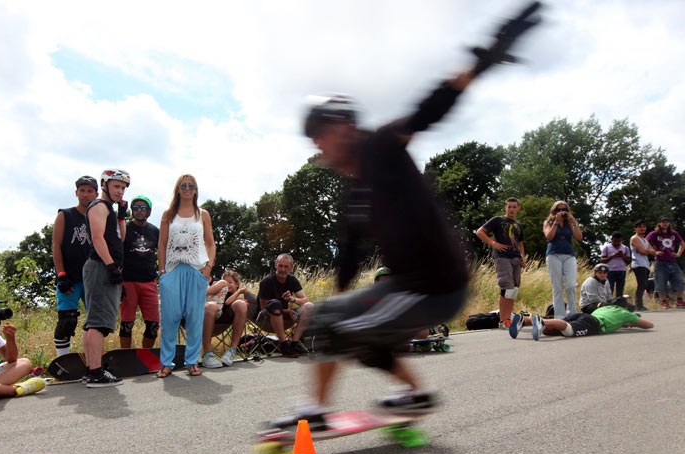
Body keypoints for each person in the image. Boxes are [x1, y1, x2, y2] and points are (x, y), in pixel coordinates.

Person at [269, 0, 545, 429]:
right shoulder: (354, 194)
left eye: (319, 136)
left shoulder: (380, 146)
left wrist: (485, 59)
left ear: (343, 127)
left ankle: (315, 414)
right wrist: (343, 300)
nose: (316, 147)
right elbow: (348, 255)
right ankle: (415, 395)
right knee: (350, 330)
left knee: (333, 323)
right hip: (409, 287)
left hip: (436, 286)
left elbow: (428, 110)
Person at [156, 174, 216, 378]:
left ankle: (192, 362)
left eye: (191, 186)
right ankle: (166, 363)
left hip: (196, 270)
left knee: (194, 318)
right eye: (184, 185)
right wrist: (163, 272)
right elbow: (162, 244)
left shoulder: (203, 214)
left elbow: (210, 243)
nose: (188, 189)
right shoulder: (168, 214)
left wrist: (208, 267)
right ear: (178, 189)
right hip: (172, 271)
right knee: (170, 318)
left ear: (196, 190)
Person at [81, 169, 130, 387]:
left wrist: (121, 215)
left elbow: (121, 238)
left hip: (106, 266)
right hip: (101, 266)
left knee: (94, 321)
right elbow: (97, 238)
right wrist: (111, 267)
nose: (120, 191)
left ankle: (91, 368)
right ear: (105, 185)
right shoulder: (99, 206)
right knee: (98, 322)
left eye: (123, 187)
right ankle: (95, 372)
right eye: (116, 186)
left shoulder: (110, 209)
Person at [51, 175, 98, 357]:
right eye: (82, 191)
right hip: (70, 277)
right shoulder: (65, 214)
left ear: (96, 194)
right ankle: (63, 360)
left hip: (92, 278)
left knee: (95, 322)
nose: (85, 195)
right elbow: (56, 244)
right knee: (67, 321)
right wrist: (61, 274)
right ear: (76, 192)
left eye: (89, 191)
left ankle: (93, 360)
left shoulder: (99, 217)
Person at [476, 197, 526, 328]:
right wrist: (493, 243)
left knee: (514, 289)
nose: (511, 209)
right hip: (503, 258)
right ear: (506, 208)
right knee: (506, 287)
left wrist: (523, 257)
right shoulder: (497, 220)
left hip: (516, 258)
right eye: (509, 207)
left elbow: (520, 243)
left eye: (514, 207)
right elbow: (480, 232)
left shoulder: (519, 225)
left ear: (518, 209)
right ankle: (503, 321)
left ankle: (508, 319)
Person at [119, 195, 160, 349]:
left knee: (153, 325)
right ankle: (125, 357)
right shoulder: (125, 228)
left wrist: (162, 273)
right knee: (127, 324)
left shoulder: (155, 231)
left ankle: (146, 356)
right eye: (136, 208)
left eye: (143, 208)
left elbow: (163, 252)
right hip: (128, 280)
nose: (139, 211)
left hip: (149, 281)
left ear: (148, 211)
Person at [256, 253, 315, 355]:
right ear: (276, 265)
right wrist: (286, 311)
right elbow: (263, 307)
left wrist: (293, 299)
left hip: (285, 317)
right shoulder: (266, 282)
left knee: (310, 306)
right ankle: (284, 345)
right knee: (275, 304)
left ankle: (294, 343)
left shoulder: (292, 280)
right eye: (280, 266)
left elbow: (305, 300)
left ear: (291, 268)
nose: (282, 269)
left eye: (286, 266)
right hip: (266, 318)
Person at [509, 304, 653, 341]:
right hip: (594, 324)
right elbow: (648, 325)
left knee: (551, 329)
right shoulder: (624, 313)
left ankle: (524, 320)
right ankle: (540, 322)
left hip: (583, 315)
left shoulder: (605, 308)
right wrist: (632, 322)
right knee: (569, 331)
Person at [201, 270, 253, 368]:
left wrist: (240, 295)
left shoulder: (231, 292)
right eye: (226, 281)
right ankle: (207, 353)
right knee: (211, 306)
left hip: (225, 317)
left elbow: (229, 302)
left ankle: (232, 350)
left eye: (230, 282)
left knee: (241, 305)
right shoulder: (217, 283)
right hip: (207, 315)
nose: (227, 284)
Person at [543, 201, 583, 319]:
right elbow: (549, 237)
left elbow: (579, 237)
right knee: (557, 287)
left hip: (569, 255)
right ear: (554, 211)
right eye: (558, 209)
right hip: (553, 255)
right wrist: (556, 222)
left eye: (564, 209)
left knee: (571, 285)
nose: (561, 212)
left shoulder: (569, 224)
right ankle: (559, 315)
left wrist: (573, 221)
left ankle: (572, 313)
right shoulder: (548, 222)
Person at [645, 216, 684, 309]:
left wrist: (678, 253)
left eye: (667, 222)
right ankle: (664, 301)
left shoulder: (674, 234)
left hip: (672, 261)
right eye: (663, 222)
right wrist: (654, 251)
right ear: (659, 223)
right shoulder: (654, 234)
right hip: (660, 261)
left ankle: (679, 300)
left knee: (680, 280)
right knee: (661, 282)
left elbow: (682, 243)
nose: (665, 224)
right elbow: (645, 242)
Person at [630, 219, 656, 311]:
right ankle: (639, 305)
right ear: (636, 228)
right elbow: (642, 251)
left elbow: (653, 252)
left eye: (644, 226)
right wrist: (647, 251)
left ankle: (640, 305)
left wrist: (647, 251)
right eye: (640, 227)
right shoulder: (634, 238)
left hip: (645, 265)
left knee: (644, 284)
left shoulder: (644, 240)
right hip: (638, 264)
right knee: (641, 285)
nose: (642, 228)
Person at [600, 231, 631, 298]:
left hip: (622, 270)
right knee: (609, 289)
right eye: (615, 241)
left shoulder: (625, 248)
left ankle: (619, 303)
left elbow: (629, 261)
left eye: (619, 241)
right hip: (610, 271)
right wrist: (612, 256)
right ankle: (609, 304)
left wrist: (622, 256)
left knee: (620, 290)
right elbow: (602, 260)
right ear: (611, 239)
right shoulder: (606, 247)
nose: (617, 243)